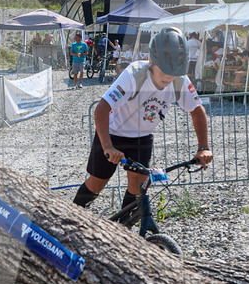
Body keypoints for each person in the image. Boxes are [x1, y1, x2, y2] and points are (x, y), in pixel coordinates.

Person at [72, 27, 213, 209]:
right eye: (164, 71)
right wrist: (107, 146)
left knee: (138, 185)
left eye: (174, 73)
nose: (169, 77)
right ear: (152, 62)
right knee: (98, 182)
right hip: (113, 134)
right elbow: (101, 108)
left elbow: (197, 110)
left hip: (142, 138)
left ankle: (123, 230)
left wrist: (204, 147)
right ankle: (68, 220)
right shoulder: (134, 74)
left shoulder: (180, 80)